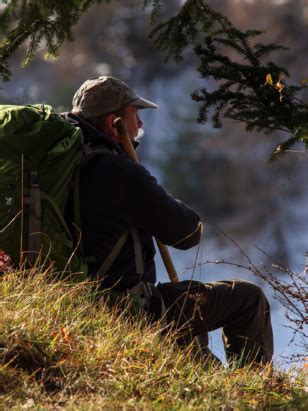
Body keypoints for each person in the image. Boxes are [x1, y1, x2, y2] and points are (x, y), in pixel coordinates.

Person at [63, 75, 273, 366]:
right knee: (248, 299)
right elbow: (188, 235)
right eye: (135, 115)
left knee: (199, 355)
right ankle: (259, 392)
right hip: (128, 309)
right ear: (115, 124)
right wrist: (154, 192)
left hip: (73, 304)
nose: (141, 125)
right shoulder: (118, 171)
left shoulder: (63, 164)